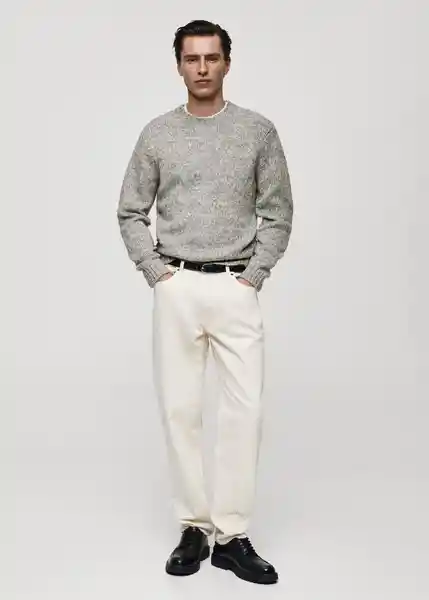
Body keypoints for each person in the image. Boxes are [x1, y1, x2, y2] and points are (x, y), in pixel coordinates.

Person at [117, 19, 293, 585]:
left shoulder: (257, 131)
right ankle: (193, 527)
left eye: (211, 58)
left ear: (226, 63)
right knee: (181, 409)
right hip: (178, 286)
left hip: (236, 285)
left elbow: (278, 211)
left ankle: (232, 535)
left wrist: (256, 274)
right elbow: (130, 210)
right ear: (178, 66)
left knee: (245, 411)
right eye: (191, 58)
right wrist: (156, 273)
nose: (201, 68)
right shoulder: (157, 134)